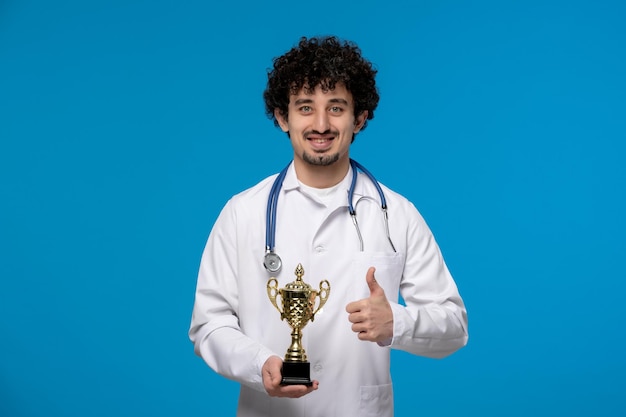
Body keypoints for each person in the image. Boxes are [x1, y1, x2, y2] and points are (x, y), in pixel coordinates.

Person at [189, 35, 468, 417]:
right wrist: (259, 364)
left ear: (360, 117)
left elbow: (454, 327)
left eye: (336, 107)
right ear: (283, 117)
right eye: (306, 107)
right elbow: (208, 325)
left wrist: (397, 322)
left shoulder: (397, 215)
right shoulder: (242, 213)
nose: (321, 124)